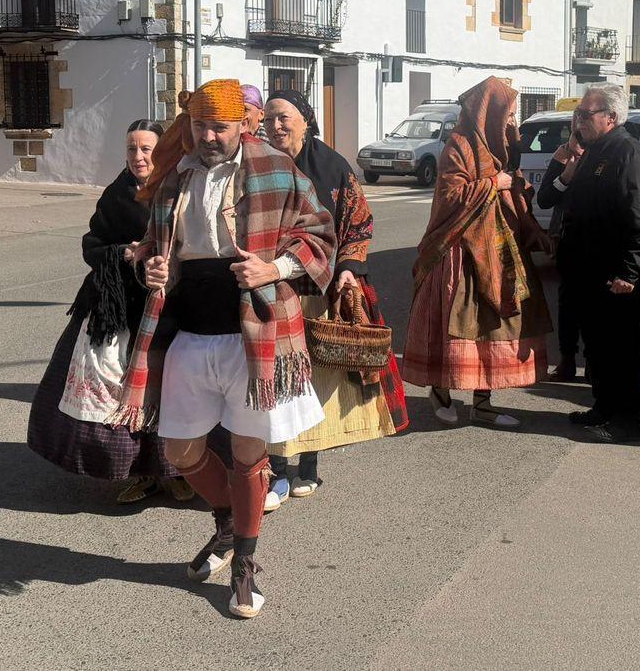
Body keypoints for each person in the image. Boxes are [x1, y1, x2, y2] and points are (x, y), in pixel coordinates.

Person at [110, 79, 335, 619]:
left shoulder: (278, 170)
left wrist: (274, 267)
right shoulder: (174, 177)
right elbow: (164, 251)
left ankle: (245, 565)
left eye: (220, 126)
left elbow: (322, 234)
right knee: (181, 452)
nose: (209, 136)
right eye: (200, 125)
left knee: (246, 455)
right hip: (189, 334)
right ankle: (230, 524)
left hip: (255, 339)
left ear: (243, 124)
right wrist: (157, 267)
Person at [27, 121, 194, 504]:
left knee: (170, 390)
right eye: (132, 149)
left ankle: (179, 472)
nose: (138, 157)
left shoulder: (182, 188)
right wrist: (123, 253)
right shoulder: (116, 194)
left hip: (174, 309)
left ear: (163, 150)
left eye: (147, 149)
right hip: (119, 308)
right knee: (121, 394)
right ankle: (142, 474)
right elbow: (92, 246)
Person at [260, 90, 407, 510]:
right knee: (278, 380)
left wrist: (349, 268)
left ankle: (307, 464)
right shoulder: (256, 166)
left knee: (315, 380)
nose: (275, 126)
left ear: (306, 120)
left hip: (319, 293)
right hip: (274, 290)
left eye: (284, 118)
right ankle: (277, 468)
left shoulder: (333, 168)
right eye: (268, 119)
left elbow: (358, 225)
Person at [403, 76, 551, 429]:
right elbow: (451, 197)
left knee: (493, 327)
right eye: (510, 113)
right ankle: (440, 390)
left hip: (499, 247)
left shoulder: (501, 144)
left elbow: (511, 181)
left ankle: (484, 403)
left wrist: (516, 186)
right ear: (491, 112)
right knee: (456, 326)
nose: (513, 120)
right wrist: (493, 184)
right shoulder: (459, 144)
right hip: (460, 247)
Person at [538, 85, 640, 443]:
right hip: (586, 272)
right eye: (578, 113)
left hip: (614, 273)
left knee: (621, 349)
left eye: (585, 114)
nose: (579, 120)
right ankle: (604, 407)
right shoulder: (591, 151)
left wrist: (630, 270)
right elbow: (555, 199)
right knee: (598, 347)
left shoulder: (627, 153)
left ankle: (628, 421)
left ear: (611, 117)